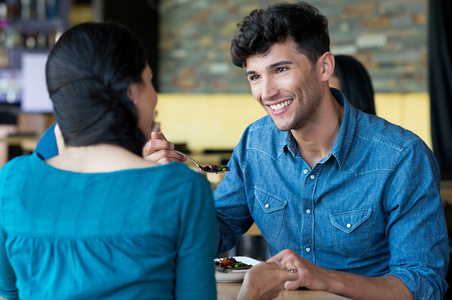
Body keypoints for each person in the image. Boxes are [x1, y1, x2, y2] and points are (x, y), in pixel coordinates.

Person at [144, 2, 449, 299]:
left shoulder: (402, 156)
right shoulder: (255, 143)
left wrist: (325, 279)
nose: (266, 92)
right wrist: (168, 188)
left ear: (324, 67)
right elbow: (217, 229)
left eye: (280, 69)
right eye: (255, 77)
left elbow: (423, 285)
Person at [0, 22, 218, 299]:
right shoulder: (182, 188)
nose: (155, 97)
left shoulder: (13, 181)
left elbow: (11, 291)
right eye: (149, 80)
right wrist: (251, 292)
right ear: (130, 91)